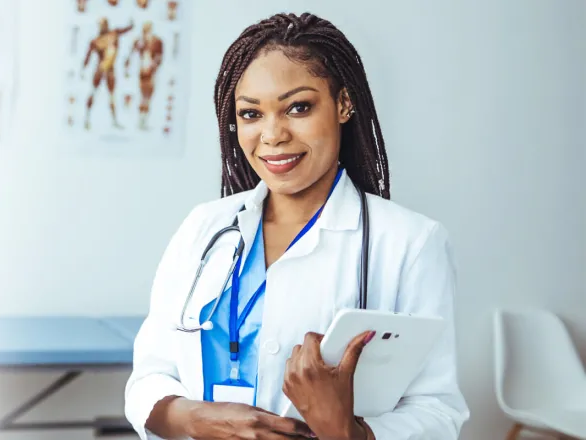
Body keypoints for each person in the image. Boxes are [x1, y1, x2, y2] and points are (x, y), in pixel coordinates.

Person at [123, 12, 469, 440]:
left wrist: (344, 431)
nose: (272, 135)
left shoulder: (410, 244)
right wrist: (193, 418)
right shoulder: (204, 227)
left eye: (298, 108)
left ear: (344, 104)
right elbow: (149, 378)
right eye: (251, 114)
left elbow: (438, 413)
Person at [82, 17, 134, 130]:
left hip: (110, 70)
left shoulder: (114, 34)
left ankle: (114, 120)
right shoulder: (96, 41)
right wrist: (84, 68)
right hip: (100, 69)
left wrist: (131, 24)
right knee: (94, 92)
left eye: (103, 24)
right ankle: (86, 118)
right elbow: (88, 56)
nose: (102, 27)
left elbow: (125, 30)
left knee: (111, 96)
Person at [125, 21, 163, 130]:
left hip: (151, 72)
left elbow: (159, 57)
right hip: (143, 72)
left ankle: (144, 119)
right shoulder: (140, 42)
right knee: (144, 96)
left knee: (148, 96)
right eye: (144, 31)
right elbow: (132, 52)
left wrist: (154, 65)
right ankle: (141, 120)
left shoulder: (156, 41)